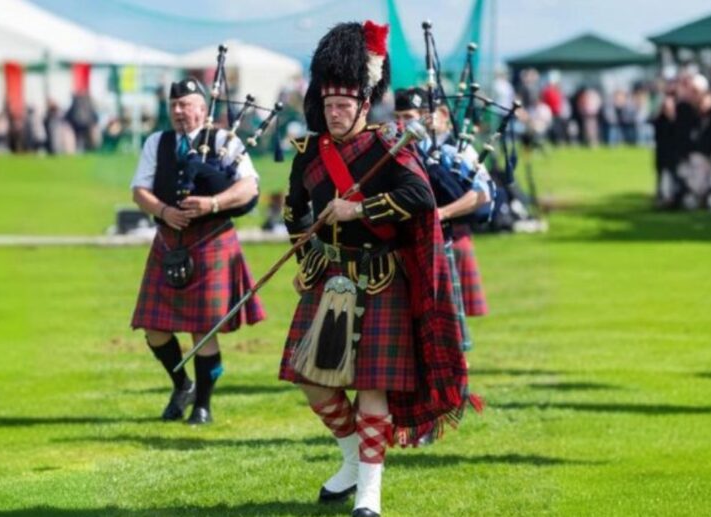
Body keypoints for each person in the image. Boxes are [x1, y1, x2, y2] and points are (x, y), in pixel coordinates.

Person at [279, 21, 476, 517]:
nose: (336, 113)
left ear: (364, 105)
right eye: (329, 106)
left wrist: (359, 210)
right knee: (313, 380)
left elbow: (420, 197)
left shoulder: (388, 145)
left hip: (381, 275)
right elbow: (294, 211)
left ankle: (370, 495)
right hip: (327, 276)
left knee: (372, 386)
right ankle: (350, 460)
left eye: (344, 106)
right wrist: (305, 259)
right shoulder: (309, 154)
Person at [130, 77, 265, 425]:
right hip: (169, 240)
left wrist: (213, 202)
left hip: (211, 240)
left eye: (186, 104)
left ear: (203, 110)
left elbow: (249, 187)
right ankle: (182, 385)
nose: (178, 111)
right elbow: (139, 190)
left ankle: (202, 405)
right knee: (153, 328)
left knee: (203, 329)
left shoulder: (224, 140)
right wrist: (163, 211)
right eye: (173, 105)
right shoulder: (156, 142)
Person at [392, 87, 491, 340]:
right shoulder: (394, 149)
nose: (402, 123)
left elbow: (483, 193)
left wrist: (442, 213)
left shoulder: (454, 149)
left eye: (408, 116)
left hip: (447, 239)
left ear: (427, 116)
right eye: (398, 117)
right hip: (406, 243)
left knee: (447, 326)